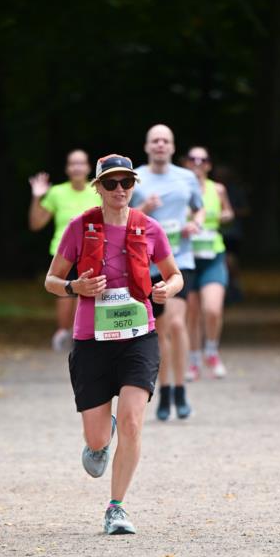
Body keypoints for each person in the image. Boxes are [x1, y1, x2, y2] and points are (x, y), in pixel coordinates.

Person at [44, 154, 183, 535]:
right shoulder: (79, 227)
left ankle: (116, 507)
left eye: (126, 183)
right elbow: (51, 281)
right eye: (111, 183)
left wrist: (165, 289)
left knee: (133, 421)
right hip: (92, 341)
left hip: (139, 337)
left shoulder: (149, 228)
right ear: (98, 188)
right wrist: (75, 287)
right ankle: (99, 445)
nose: (119, 190)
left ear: (134, 186)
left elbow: (176, 276)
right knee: (98, 436)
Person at [131, 124, 203, 420]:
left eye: (165, 141)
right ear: (147, 146)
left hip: (179, 260)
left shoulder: (187, 177)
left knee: (176, 323)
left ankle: (181, 387)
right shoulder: (134, 177)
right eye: (155, 141)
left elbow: (199, 209)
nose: (160, 145)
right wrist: (144, 208)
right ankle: (163, 391)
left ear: (173, 147)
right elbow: (123, 217)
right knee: (159, 330)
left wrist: (194, 224)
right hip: (146, 264)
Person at [29, 150, 95, 351]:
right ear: (67, 169)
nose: (77, 167)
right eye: (72, 164)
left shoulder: (98, 190)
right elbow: (36, 223)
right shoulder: (57, 192)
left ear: (88, 168)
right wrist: (36, 197)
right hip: (62, 252)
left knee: (85, 295)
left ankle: (80, 336)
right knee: (64, 293)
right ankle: (63, 332)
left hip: (90, 252)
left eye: (81, 163)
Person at [183, 147, 234, 380]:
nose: (197, 163)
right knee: (191, 314)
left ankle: (211, 351)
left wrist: (225, 216)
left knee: (212, 309)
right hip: (187, 258)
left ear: (209, 165)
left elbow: (229, 212)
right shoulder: (180, 189)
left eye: (203, 159)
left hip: (213, 256)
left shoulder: (218, 189)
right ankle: (193, 361)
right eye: (193, 159)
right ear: (186, 163)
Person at [214, 163, 250, 305]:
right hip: (215, 234)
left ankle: (234, 286)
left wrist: (231, 212)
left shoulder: (236, 191)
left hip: (232, 234)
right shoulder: (209, 189)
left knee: (231, 261)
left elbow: (246, 210)